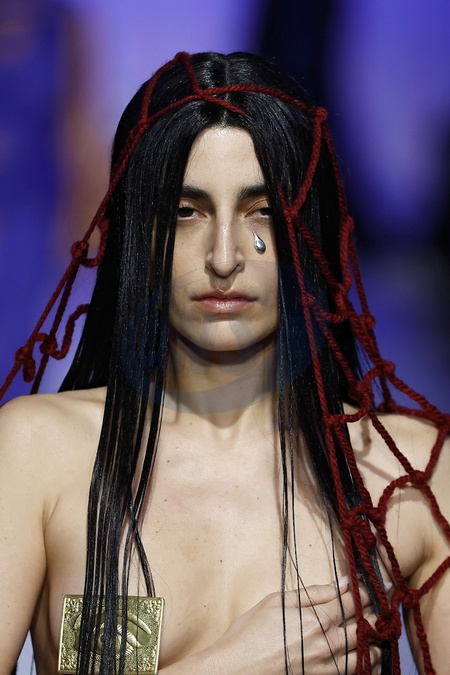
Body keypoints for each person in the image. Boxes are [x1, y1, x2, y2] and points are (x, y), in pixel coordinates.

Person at [0, 51, 449, 675]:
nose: (224, 257)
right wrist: (236, 663)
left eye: (263, 211)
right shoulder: (40, 452)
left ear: (309, 229)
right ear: (138, 231)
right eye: (186, 212)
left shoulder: (408, 476)